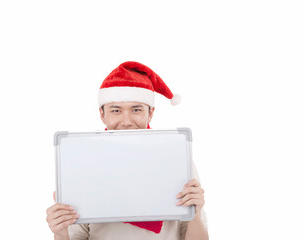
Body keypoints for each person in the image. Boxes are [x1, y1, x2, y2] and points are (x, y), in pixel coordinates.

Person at [46, 61, 209, 240]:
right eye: (116, 110)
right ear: (102, 114)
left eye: (136, 109)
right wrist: (60, 232)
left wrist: (195, 213)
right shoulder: (85, 164)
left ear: (151, 113)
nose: (126, 121)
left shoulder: (177, 158)